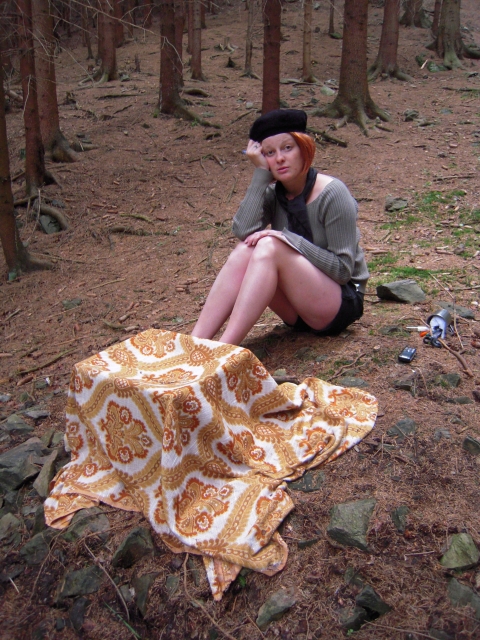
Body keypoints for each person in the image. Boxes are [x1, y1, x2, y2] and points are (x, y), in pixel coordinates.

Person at [191, 109, 369, 346]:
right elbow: (243, 231)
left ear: (304, 148)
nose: (280, 159)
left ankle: (224, 350)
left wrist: (286, 238)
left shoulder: (333, 193)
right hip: (296, 311)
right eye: (270, 153)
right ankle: (193, 345)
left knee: (269, 245)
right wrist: (260, 175)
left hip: (340, 303)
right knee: (247, 248)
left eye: (287, 148)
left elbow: (342, 271)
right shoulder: (274, 193)